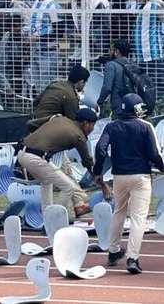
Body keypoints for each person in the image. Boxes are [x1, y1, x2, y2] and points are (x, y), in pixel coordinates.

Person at [93, 93, 164, 274]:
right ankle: (133, 258)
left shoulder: (111, 126)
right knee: (138, 218)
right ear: (136, 109)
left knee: (119, 212)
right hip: (140, 176)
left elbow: (100, 149)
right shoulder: (146, 126)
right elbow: (154, 154)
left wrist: (97, 171)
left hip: (119, 176)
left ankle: (113, 251)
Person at [17, 108, 97, 219]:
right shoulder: (78, 136)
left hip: (22, 153)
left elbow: (31, 124)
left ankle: (46, 216)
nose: (92, 129)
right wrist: (99, 180)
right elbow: (87, 162)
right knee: (68, 187)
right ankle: (54, 219)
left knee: (46, 182)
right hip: (36, 158)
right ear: (85, 123)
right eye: (93, 125)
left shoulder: (59, 118)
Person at [28, 65, 90, 130]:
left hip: (33, 123)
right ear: (81, 82)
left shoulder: (55, 85)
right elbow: (73, 120)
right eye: (85, 83)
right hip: (46, 128)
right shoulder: (71, 96)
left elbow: (35, 102)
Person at [98, 39, 132, 117]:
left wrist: (99, 101)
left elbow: (107, 88)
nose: (109, 52)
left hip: (119, 106)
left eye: (111, 50)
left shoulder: (111, 65)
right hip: (133, 104)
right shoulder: (132, 65)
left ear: (117, 51)